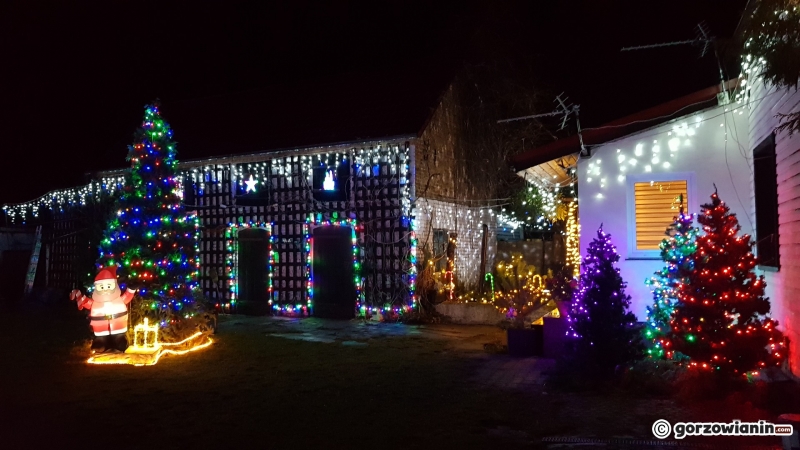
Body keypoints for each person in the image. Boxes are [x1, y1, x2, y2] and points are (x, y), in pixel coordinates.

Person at [70, 266, 136, 353]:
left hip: (118, 327)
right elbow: (86, 302)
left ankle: (120, 343)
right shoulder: (95, 302)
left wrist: (131, 289)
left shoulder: (119, 300)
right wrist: (79, 297)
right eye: (101, 287)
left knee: (120, 339)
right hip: (101, 329)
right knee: (101, 341)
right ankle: (100, 344)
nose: (105, 290)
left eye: (108, 286)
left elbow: (127, 296)